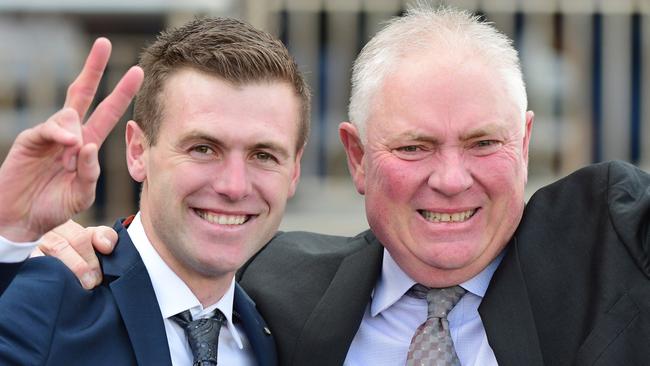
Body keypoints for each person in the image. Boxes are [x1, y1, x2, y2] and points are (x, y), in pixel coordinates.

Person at [7, 4, 650, 366]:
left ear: (527, 142)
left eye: (484, 142)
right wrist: (14, 244)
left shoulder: (610, 253)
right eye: (414, 146)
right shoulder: (273, 291)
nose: (452, 179)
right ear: (357, 158)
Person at [0, 16, 310, 365]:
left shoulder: (286, 329)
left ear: (294, 170)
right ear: (137, 152)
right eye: (203, 149)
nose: (234, 186)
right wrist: (9, 230)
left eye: (263, 155)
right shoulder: (52, 294)